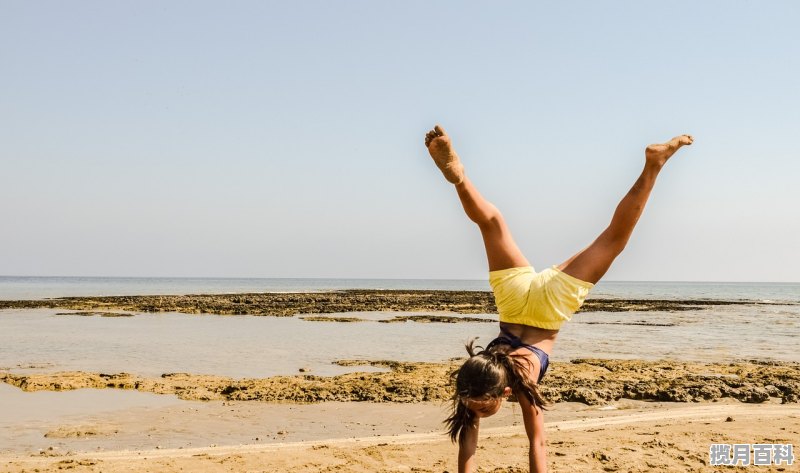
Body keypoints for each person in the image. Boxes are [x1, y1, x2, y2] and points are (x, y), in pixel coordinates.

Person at [424, 125, 693, 473]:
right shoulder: (478, 375)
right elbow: (475, 443)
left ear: (504, 394)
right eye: (475, 407)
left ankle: (653, 164)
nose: (476, 413)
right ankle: (460, 179)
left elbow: (537, 443)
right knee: (491, 223)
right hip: (512, 299)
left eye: (479, 408)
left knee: (613, 239)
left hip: (548, 308)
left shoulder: (521, 383)